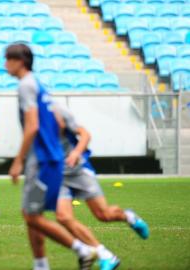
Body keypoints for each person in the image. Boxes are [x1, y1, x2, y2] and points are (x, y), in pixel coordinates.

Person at [6, 43, 98, 270]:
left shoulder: (26, 86)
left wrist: (18, 161)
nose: (5, 64)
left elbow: (32, 126)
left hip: (43, 159)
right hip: (50, 158)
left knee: (31, 215)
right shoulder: (37, 83)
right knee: (32, 213)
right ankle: (41, 265)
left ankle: (83, 250)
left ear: (20, 61)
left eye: (8, 59)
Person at [54, 104, 149, 269]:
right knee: (63, 217)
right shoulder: (30, 117)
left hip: (79, 169)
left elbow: (85, 134)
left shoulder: (58, 111)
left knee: (103, 215)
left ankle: (128, 216)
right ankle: (104, 254)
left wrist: (76, 153)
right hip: (58, 175)